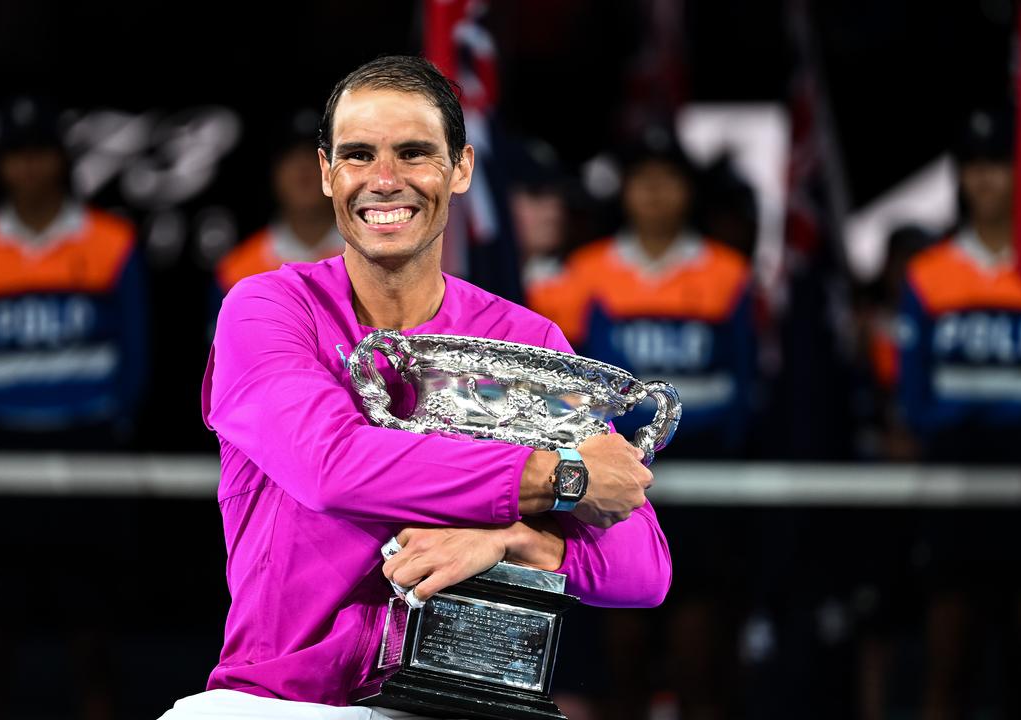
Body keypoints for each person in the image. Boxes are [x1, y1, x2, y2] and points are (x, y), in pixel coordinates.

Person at [165, 55, 670, 720]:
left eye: (412, 152)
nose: (383, 181)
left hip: (464, 707)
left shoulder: (525, 338)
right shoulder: (268, 309)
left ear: (460, 168)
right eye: (357, 155)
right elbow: (331, 466)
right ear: (326, 172)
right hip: (284, 705)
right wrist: (558, 479)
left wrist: (505, 541)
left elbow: (642, 567)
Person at [896, 108, 1021, 719]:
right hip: (952, 479)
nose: (987, 181)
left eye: (999, 166)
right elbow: (913, 395)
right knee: (948, 654)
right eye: (974, 167)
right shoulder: (928, 275)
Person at [529, 124, 757, 458]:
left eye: (668, 177)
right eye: (642, 178)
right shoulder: (583, 271)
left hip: (713, 451)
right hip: (611, 451)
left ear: (689, 189)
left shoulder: (730, 272)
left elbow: (746, 377)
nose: (654, 190)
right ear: (624, 188)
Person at [0, 96, 148, 449]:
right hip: (1, 438)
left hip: (93, 436)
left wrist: (120, 418)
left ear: (61, 158)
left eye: (40, 150)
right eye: (17, 153)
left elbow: (137, 343)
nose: (29, 165)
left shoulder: (113, 243)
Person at [213, 110, 345, 295]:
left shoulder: (372, 256)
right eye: (289, 156)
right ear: (273, 173)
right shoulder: (236, 271)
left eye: (318, 156)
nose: (303, 166)